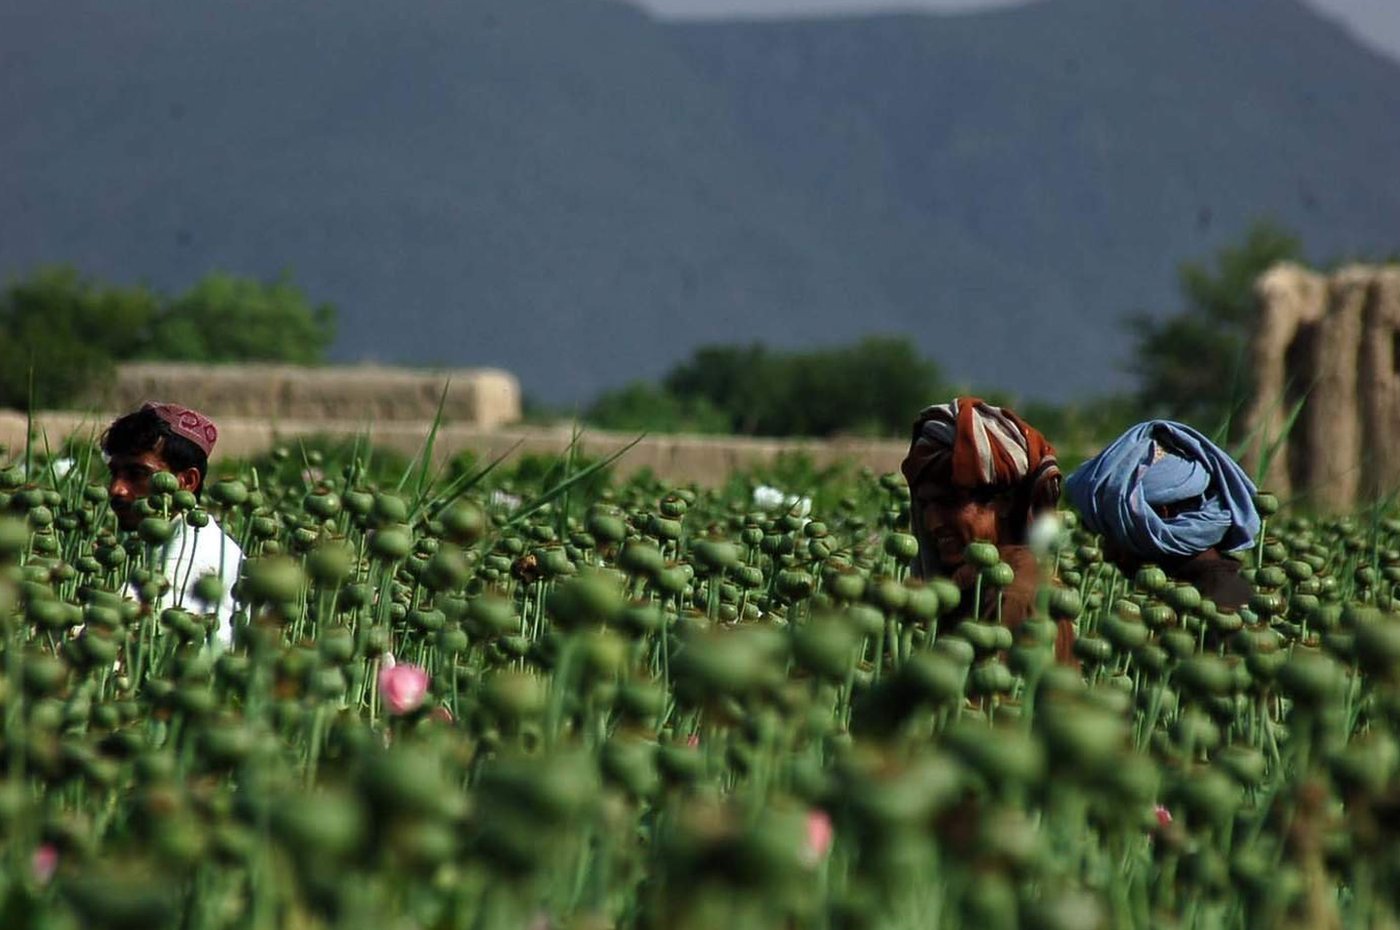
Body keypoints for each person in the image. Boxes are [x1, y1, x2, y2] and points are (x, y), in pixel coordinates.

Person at [900, 396, 1074, 662]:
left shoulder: (1015, 596)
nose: (933, 521)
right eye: (925, 505)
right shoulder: (968, 583)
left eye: (949, 503)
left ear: (1004, 502)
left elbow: (987, 700)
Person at [1064, 420, 1259, 611]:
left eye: (1113, 529)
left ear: (1159, 517)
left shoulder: (1224, 606)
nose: (1107, 553)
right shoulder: (1171, 594)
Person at [103, 402, 244, 647]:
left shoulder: (189, 559)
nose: (117, 489)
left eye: (137, 474)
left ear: (187, 481)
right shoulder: (159, 541)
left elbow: (109, 638)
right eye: (114, 473)